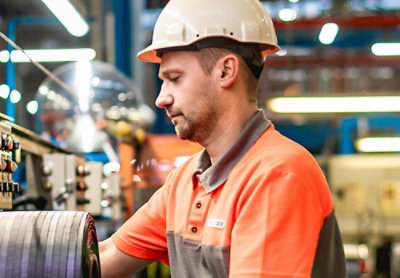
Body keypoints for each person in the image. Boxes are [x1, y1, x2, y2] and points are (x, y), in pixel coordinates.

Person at [99, 0, 347, 277]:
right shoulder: (184, 182)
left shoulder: (277, 174)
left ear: (226, 71)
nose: (161, 99)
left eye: (175, 78)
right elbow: (106, 257)